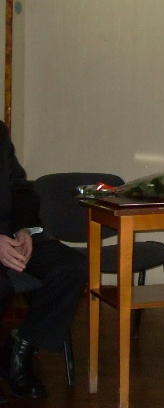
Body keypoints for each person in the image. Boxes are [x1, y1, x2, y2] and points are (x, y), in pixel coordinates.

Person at [0, 121, 88, 401]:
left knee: (71, 267)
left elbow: (19, 186)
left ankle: (18, 353)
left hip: (12, 233)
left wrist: (24, 228)